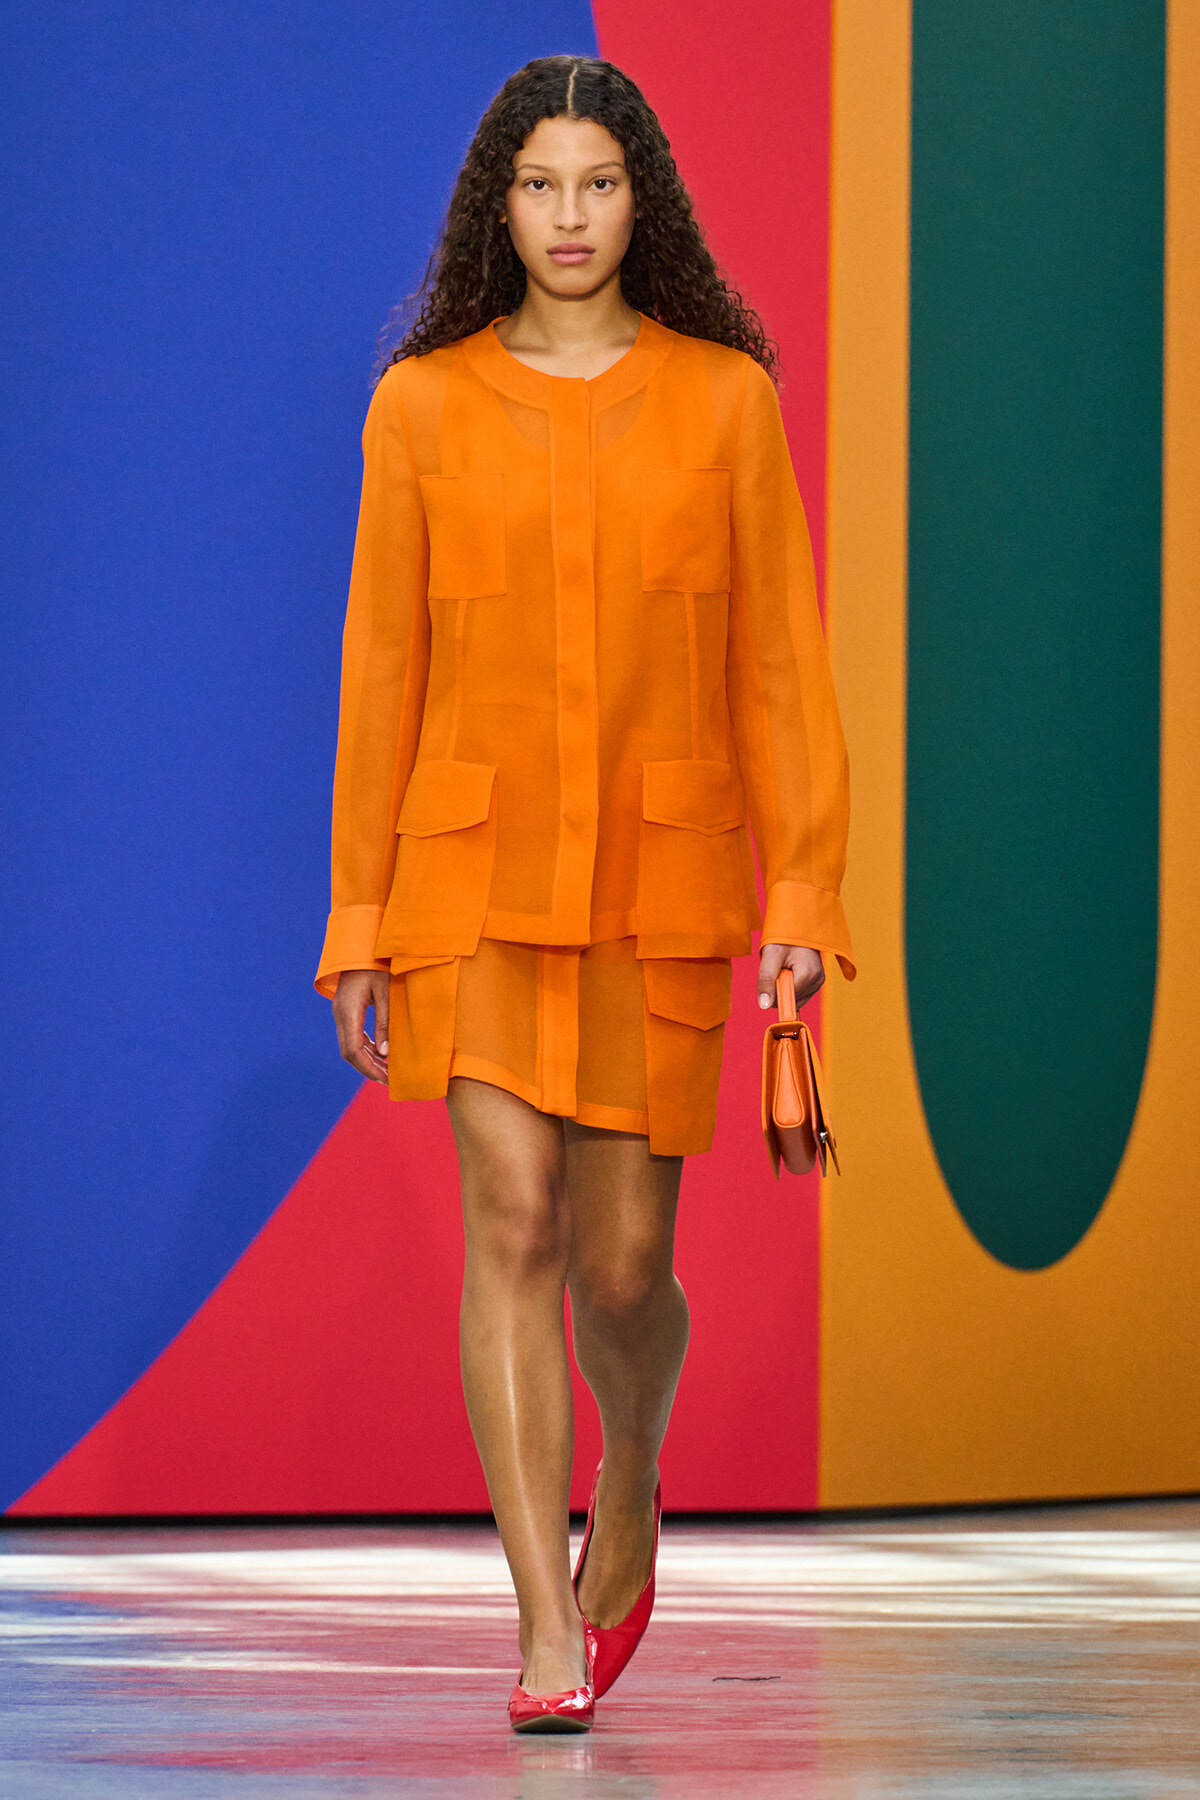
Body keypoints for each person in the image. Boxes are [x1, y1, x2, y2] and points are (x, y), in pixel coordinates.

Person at [315, 54, 854, 1733]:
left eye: (598, 185)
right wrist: (356, 923)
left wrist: (810, 893)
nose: (567, 217)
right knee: (513, 1231)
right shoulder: (419, 407)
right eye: (539, 187)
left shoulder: (722, 400)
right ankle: (543, 1623)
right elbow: (380, 673)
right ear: (499, 204)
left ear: (645, 203)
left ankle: (632, 1478)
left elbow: (779, 670)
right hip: (467, 887)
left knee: (622, 1269)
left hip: (662, 893)